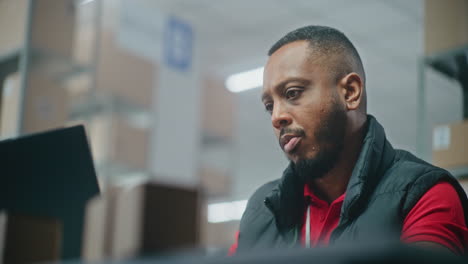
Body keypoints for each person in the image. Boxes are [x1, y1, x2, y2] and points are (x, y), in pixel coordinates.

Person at [229, 25, 468, 255]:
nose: (277, 117)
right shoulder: (262, 209)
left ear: (350, 92)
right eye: (269, 106)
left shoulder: (424, 195)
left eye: (293, 93)